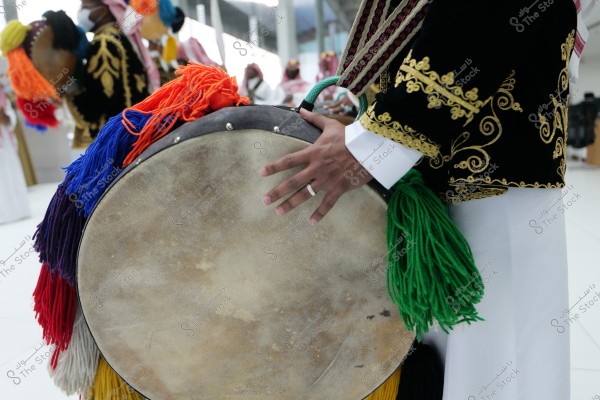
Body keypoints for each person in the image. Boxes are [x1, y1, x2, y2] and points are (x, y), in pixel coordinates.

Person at [259, 0, 592, 399]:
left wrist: (371, 146)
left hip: (490, 172)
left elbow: (486, 16)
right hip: (437, 174)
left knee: (493, 359)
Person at [66, 0, 156, 151]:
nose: (81, 11)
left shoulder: (102, 44)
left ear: (102, 11)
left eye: (85, 6)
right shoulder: (119, 38)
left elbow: (98, 101)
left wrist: (68, 91)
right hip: (137, 133)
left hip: (119, 143)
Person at [0, 85, 30, 224]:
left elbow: (10, 113)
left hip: (5, 138)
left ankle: (20, 210)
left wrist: (7, 117)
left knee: (12, 172)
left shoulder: (2, 93)